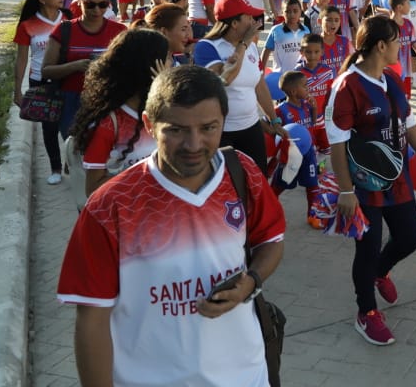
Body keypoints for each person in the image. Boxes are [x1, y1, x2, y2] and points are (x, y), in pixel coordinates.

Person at [57, 65, 286, 387]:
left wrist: (252, 281)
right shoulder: (109, 206)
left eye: (208, 127)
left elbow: (271, 241)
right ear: (150, 124)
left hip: (247, 375)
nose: (194, 144)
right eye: (176, 130)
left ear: (224, 120)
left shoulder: (243, 173)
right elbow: (92, 321)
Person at [327, 16, 416, 346]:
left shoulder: (392, 80)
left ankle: (379, 272)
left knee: (409, 237)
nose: (401, 46)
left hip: (397, 179)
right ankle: (365, 312)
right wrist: (345, 190)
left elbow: (411, 127)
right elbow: (336, 143)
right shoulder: (347, 86)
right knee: (366, 248)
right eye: (397, 41)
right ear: (381, 46)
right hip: (363, 186)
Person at [70, 29, 170, 198]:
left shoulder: (165, 109)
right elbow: (93, 188)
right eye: (168, 57)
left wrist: (164, 88)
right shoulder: (107, 124)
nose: (172, 64)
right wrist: (146, 178)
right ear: (149, 66)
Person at [193, 0, 286, 175]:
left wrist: (274, 120)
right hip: (221, 133)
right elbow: (225, 79)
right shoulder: (207, 46)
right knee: (228, 186)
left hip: (251, 129)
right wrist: (243, 44)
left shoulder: (250, 47)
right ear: (234, 23)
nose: (254, 22)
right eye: (249, 17)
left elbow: (260, 86)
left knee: (258, 183)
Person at [42, 0, 129, 141]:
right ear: (79, 2)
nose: (96, 10)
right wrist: (75, 66)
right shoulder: (64, 30)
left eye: (102, 4)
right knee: (74, 153)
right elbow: (46, 71)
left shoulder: (119, 31)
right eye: (90, 5)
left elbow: (129, 68)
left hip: (108, 100)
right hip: (71, 101)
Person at [14, 0, 68, 183]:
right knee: (49, 127)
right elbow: (21, 59)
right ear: (42, 0)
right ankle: (55, 168)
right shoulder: (28, 25)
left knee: (70, 124)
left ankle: (71, 162)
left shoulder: (69, 19)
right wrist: (17, 90)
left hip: (68, 79)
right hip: (40, 81)